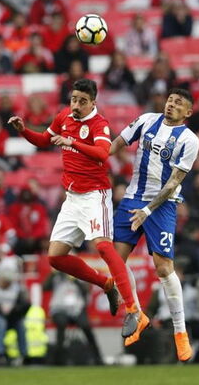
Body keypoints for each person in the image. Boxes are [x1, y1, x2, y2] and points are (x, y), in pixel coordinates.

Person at [9, 78, 148, 343]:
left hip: (95, 196)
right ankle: (106, 284)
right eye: (74, 99)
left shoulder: (99, 124)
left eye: (82, 101)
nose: (76, 105)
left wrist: (71, 142)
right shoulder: (64, 116)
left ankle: (134, 311)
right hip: (72, 199)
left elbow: (103, 154)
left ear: (93, 103)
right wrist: (24, 130)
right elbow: (44, 140)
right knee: (55, 257)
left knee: (104, 247)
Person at [107, 88, 199, 361]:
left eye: (178, 103)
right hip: (132, 198)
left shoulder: (189, 140)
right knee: (115, 262)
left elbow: (174, 182)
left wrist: (147, 210)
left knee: (163, 267)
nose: (171, 104)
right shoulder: (146, 120)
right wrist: (93, 155)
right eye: (170, 100)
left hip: (163, 204)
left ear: (188, 112)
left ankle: (180, 332)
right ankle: (137, 314)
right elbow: (117, 143)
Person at [44, 271, 104, 366]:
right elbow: (45, 288)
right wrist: (54, 273)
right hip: (59, 309)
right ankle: (59, 359)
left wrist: (75, 279)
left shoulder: (79, 275)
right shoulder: (57, 276)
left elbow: (85, 291)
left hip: (76, 309)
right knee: (61, 323)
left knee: (86, 326)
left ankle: (98, 357)